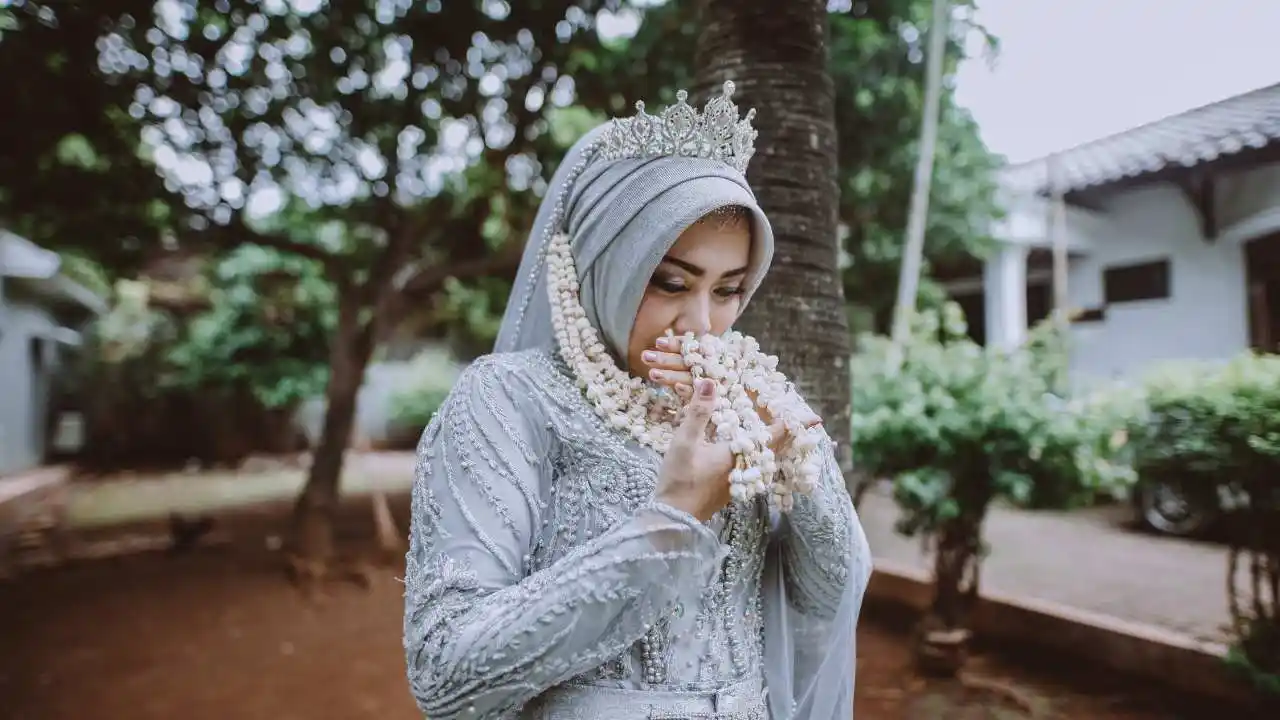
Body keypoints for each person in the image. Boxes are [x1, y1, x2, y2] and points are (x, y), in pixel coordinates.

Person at [403, 82, 872, 720]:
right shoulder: (510, 397)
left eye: (730, 290)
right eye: (671, 282)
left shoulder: (740, 406)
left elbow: (826, 602)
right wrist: (672, 517)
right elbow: (445, 670)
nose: (701, 323)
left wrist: (802, 464)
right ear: (604, 264)